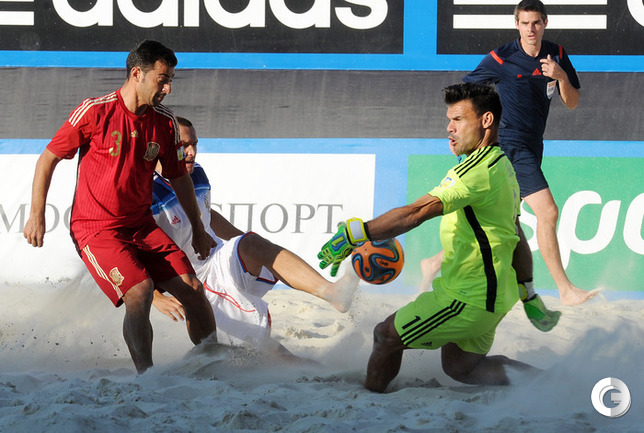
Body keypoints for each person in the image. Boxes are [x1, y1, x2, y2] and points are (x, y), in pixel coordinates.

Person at [319, 83, 536, 392]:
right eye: (449, 120)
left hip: (469, 298)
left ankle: (368, 398)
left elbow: (415, 213)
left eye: (458, 120)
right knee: (462, 367)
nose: (449, 128)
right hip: (497, 293)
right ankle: (554, 382)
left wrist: (357, 233)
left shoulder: (475, 172)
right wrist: (528, 289)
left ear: (486, 120)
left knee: (386, 336)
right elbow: (516, 233)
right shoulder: (502, 165)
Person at [23, 40, 216, 374]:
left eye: (171, 80)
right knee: (140, 290)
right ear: (137, 74)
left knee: (193, 289)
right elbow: (47, 159)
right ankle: (147, 377)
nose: (168, 88)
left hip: (141, 226)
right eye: (162, 79)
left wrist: (198, 228)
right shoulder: (94, 110)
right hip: (95, 228)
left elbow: (179, 178)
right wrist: (36, 215)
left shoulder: (165, 121)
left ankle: (214, 361)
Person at [150, 116, 358, 358]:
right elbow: (134, 250)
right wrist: (155, 298)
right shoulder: (148, 192)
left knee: (252, 242)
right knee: (269, 357)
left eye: (195, 144)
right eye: (184, 145)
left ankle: (332, 293)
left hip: (219, 259)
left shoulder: (197, 173)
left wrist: (250, 245)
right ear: (164, 147)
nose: (192, 152)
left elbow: (208, 215)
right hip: (197, 283)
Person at [462, 0, 597, 307]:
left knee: (502, 219)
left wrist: (561, 76)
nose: (530, 29)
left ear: (545, 23)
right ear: (517, 25)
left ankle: (433, 263)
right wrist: (478, 129)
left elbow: (572, 102)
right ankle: (565, 290)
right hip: (510, 145)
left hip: (534, 144)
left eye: (536, 22)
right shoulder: (502, 57)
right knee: (548, 212)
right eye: (525, 23)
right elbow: (467, 88)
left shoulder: (557, 53)